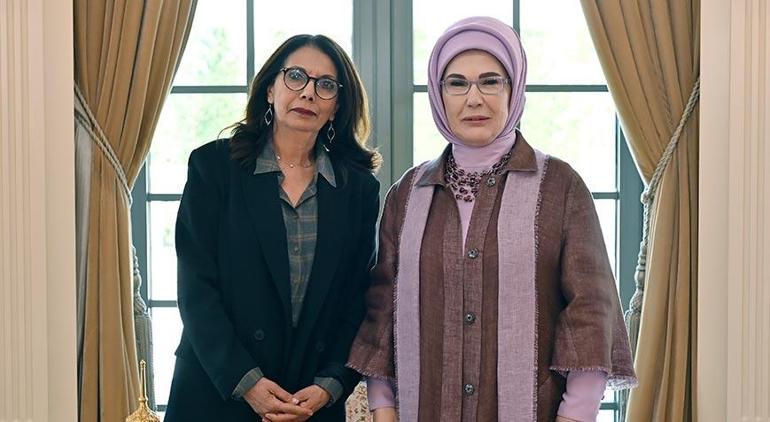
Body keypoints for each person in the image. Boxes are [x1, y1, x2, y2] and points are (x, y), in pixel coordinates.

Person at [347, 16, 637, 422]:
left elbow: (591, 312)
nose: (474, 98)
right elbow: (383, 311)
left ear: (513, 89)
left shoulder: (560, 187)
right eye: (457, 83)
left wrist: (575, 414)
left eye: (490, 81)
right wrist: (384, 408)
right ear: (438, 94)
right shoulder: (407, 193)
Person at [165, 34, 381, 422]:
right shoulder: (214, 168)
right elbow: (196, 289)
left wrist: (331, 383)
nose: (309, 92)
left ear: (336, 107)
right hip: (217, 390)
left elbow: (356, 299)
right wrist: (246, 382)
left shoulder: (358, 189)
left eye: (326, 85)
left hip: (308, 400)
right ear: (270, 89)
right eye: (295, 76)